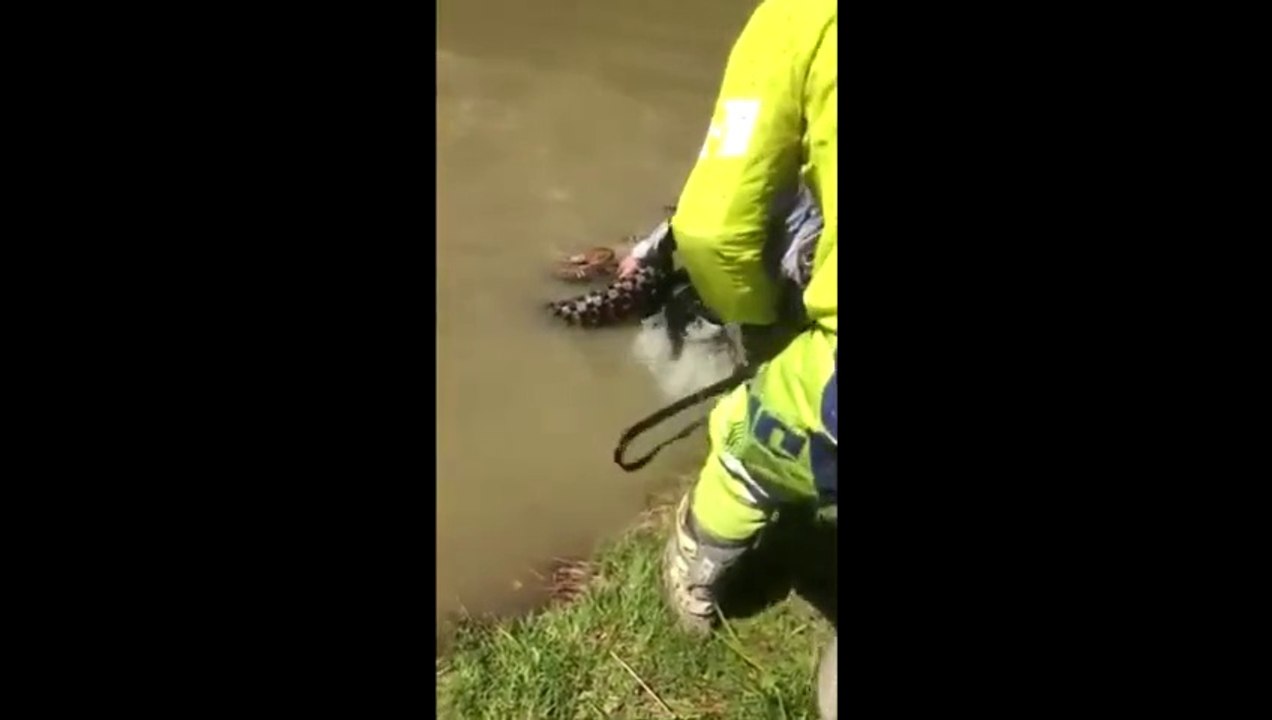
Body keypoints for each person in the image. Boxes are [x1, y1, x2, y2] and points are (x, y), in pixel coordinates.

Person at [656, 0, 838, 642]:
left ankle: (702, 535)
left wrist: (757, 329)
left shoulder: (803, 17)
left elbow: (709, 230)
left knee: (759, 437)